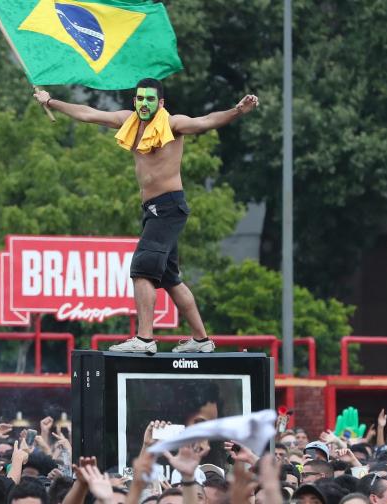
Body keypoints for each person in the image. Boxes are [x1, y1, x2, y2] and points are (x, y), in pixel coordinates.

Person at [32, 81, 259, 354]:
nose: (143, 104)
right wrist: (50, 102)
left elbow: (205, 122)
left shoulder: (173, 124)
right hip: (152, 210)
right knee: (171, 279)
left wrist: (237, 111)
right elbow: (88, 113)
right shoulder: (129, 121)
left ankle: (144, 339)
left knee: (141, 270)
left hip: (168, 207)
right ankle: (201, 341)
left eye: (149, 100)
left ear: (160, 103)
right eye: (140, 99)